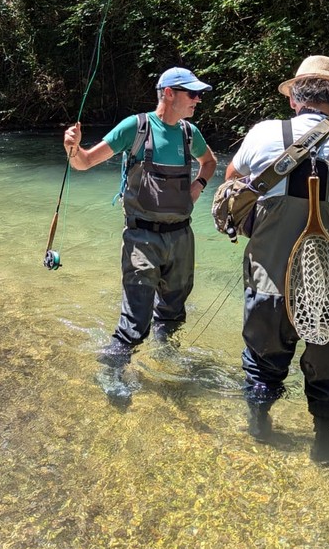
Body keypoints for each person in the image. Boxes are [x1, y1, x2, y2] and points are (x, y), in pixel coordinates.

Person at [224, 55, 329, 463]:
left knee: (262, 360)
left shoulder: (262, 135)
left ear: (295, 97)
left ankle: (260, 428)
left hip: (268, 285)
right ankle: (325, 447)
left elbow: (231, 184)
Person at [64, 67, 217, 383]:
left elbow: (210, 162)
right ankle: (111, 372)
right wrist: (72, 148)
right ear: (169, 93)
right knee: (135, 322)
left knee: (173, 313)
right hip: (141, 238)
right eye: (192, 93)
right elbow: (84, 162)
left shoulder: (191, 133)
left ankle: (165, 359)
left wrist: (198, 185)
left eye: (199, 94)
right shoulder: (135, 127)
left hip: (182, 238)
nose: (198, 100)